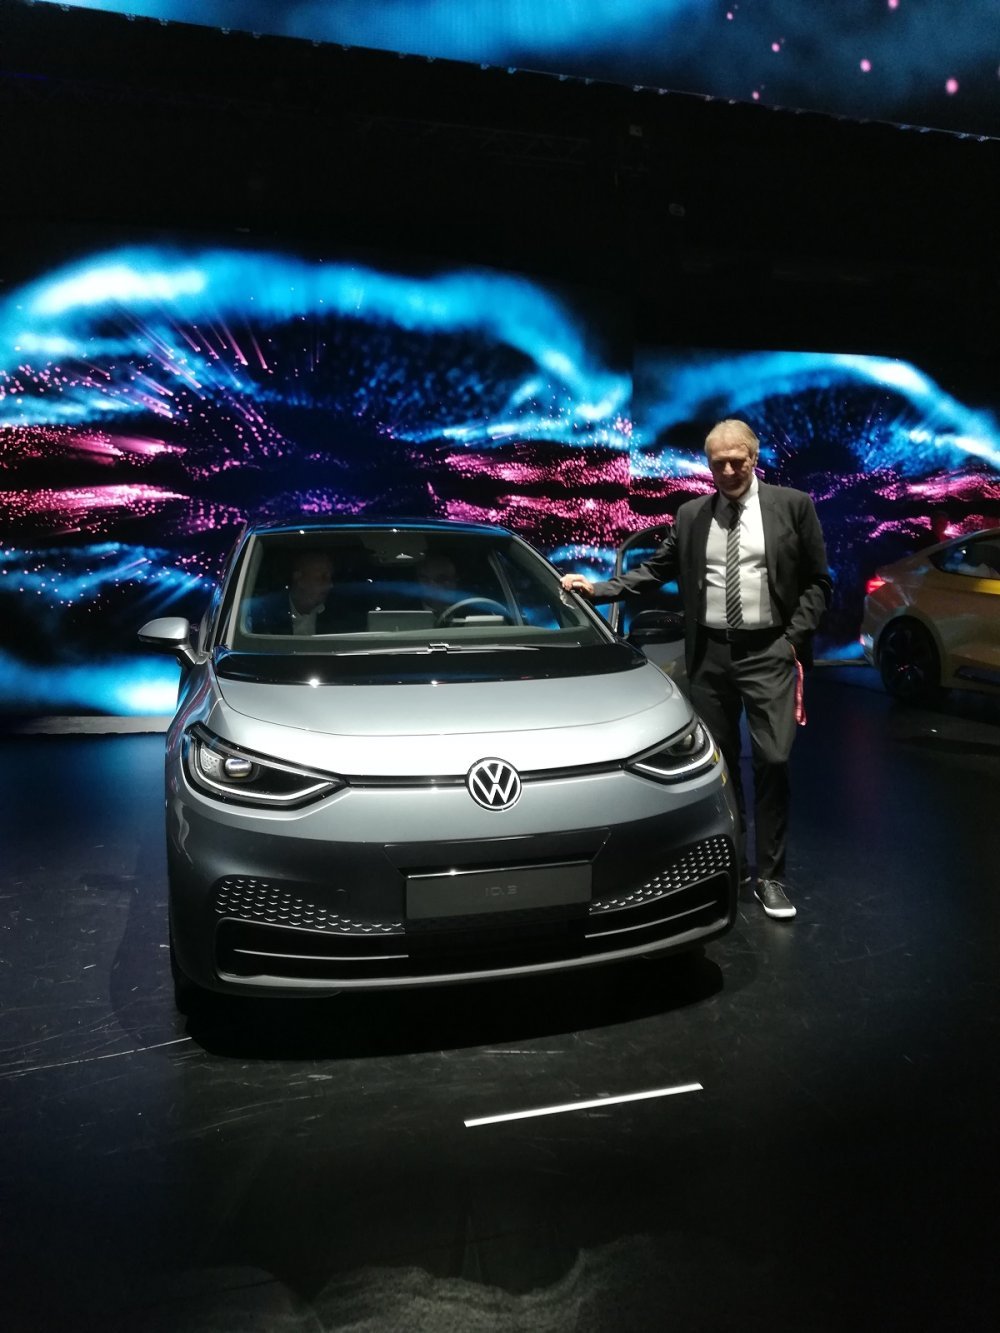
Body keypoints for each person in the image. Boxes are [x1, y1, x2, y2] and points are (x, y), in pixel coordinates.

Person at [561, 419, 832, 920]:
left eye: (736, 461)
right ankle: (736, 861)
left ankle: (771, 875)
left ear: (754, 457)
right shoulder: (691, 515)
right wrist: (598, 590)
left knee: (773, 760)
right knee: (720, 764)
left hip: (768, 652)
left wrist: (791, 640)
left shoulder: (793, 506)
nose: (727, 470)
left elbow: (818, 581)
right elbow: (657, 569)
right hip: (710, 654)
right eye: (717, 462)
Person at [247, 549, 337, 635]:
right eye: (323, 577)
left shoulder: (337, 613)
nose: (330, 585)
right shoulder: (266, 613)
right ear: (299, 579)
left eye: (330, 577)